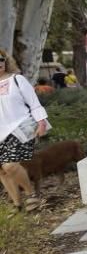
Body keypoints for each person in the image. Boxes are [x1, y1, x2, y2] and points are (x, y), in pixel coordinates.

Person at [0, 49, 49, 211]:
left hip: (21, 127)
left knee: (10, 166)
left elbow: (34, 103)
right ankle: (17, 204)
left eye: (1, 60)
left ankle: (31, 195)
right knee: (2, 170)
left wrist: (41, 121)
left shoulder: (17, 80)